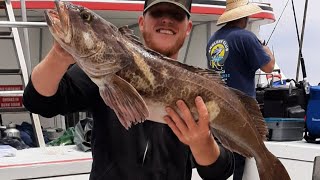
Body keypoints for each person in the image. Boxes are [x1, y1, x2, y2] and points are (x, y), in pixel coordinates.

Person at [23, 0, 234, 179]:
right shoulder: (104, 69)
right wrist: (59, 55)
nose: (166, 20)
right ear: (142, 23)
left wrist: (201, 143)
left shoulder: (200, 91)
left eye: (176, 15)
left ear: (188, 27)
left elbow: (219, 172)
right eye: (157, 13)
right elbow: (39, 102)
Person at [206, 0, 275, 179]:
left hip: (216, 108)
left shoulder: (213, 40)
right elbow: (268, 67)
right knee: (238, 158)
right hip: (239, 108)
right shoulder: (246, 37)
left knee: (220, 160)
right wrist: (267, 51)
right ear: (244, 16)